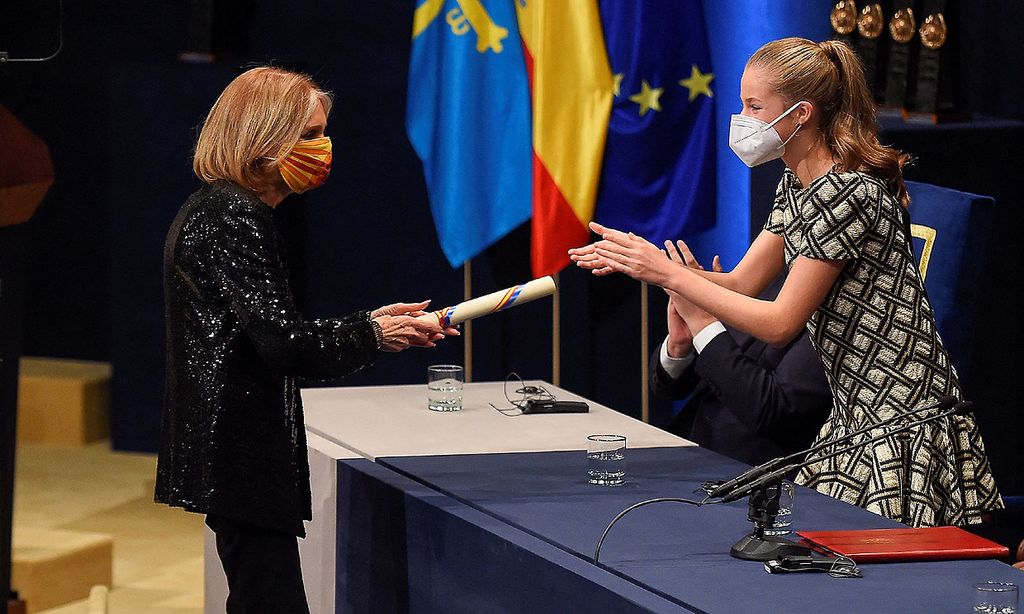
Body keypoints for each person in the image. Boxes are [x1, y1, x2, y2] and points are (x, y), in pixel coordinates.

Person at [571, 38, 1000, 527]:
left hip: (899, 417)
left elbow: (779, 323)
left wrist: (668, 273)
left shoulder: (846, 191)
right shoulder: (796, 183)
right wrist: (648, 266)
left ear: (800, 114)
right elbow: (741, 284)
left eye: (754, 106)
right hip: (852, 418)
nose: (743, 118)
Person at [154, 66, 456, 613]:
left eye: (323, 133)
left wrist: (370, 325)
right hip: (240, 451)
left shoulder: (220, 209)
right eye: (309, 136)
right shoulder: (234, 214)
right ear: (262, 138)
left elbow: (268, 331)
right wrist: (372, 333)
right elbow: (285, 344)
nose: (323, 149)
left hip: (234, 451)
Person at [651, 253, 831, 466]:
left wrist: (702, 321)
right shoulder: (770, 272)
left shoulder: (843, 313)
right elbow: (669, 389)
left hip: (751, 477)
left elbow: (773, 410)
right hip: (683, 451)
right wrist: (681, 344)